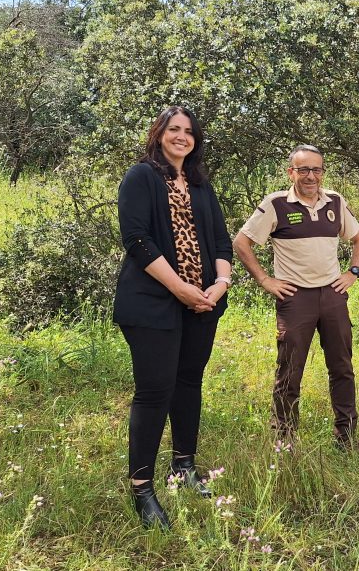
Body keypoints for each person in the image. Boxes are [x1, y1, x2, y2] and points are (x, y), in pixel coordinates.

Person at [113, 105, 233, 529]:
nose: (181, 136)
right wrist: (179, 288)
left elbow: (221, 240)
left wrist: (219, 286)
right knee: (154, 392)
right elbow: (137, 239)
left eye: (188, 131)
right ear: (159, 134)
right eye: (173, 129)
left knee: (188, 383)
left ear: (195, 139)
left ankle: (183, 467)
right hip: (151, 303)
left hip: (203, 304)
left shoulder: (200, 184)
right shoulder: (141, 177)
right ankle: (142, 489)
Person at [234, 144, 359, 446]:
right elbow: (241, 243)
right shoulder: (276, 204)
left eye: (316, 169)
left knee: (342, 366)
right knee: (290, 369)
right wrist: (265, 280)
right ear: (291, 172)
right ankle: (284, 438)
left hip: (333, 294)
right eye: (303, 169)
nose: (311, 176)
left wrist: (353, 272)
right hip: (295, 299)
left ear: (322, 172)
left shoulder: (335, 200)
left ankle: (346, 436)